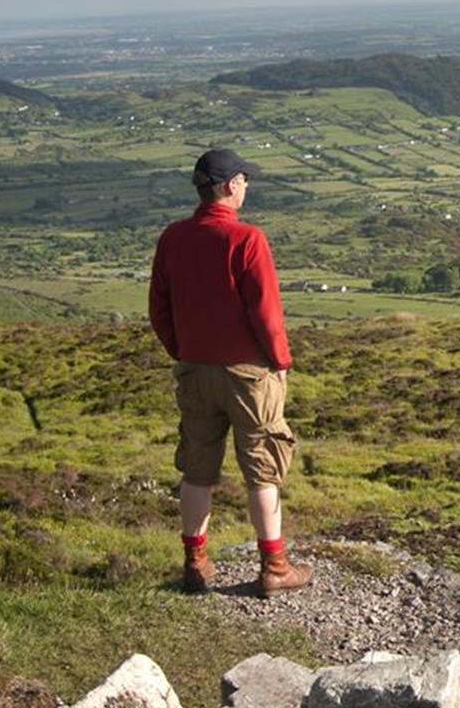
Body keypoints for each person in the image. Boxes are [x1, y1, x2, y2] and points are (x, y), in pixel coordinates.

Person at [149, 148, 313, 597]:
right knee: (262, 467)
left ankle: (196, 564)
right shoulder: (246, 240)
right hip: (248, 374)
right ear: (227, 186)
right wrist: (279, 361)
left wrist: (183, 350)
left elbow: (159, 310)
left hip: (194, 369)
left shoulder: (172, 238)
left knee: (197, 469)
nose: (246, 186)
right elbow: (266, 313)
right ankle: (274, 567)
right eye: (243, 179)